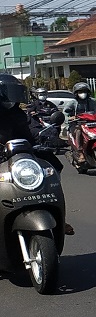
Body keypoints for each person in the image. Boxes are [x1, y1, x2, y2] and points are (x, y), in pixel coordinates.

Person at [0, 76, 72, 234]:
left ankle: (58, 214)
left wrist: (48, 138)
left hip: (20, 155)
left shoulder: (18, 113)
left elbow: (30, 132)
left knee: (53, 165)